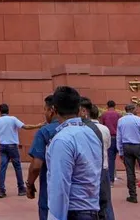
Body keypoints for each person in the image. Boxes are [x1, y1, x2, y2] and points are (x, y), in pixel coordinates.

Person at [45, 86, 103, 220]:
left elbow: (60, 185)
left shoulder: (62, 139)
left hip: (74, 211)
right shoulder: (91, 133)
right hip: (91, 208)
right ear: (78, 109)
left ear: (54, 110)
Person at [26, 94, 61, 220]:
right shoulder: (82, 130)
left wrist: (29, 185)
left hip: (50, 189)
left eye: (45, 110)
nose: (44, 113)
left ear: (51, 110)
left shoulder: (45, 131)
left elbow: (36, 165)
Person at [0, 103, 37, 198]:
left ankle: (1, 191)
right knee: (17, 167)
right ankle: (21, 188)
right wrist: (38, 125)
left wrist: (1, 134)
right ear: (8, 110)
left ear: (0, 111)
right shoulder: (13, 119)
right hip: (12, 146)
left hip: (2, 146)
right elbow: (25, 127)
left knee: (2, 168)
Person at [81, 99, 115, 220]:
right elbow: (108, 145)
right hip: (104, 168)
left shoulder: (84, 128)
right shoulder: (104, 129)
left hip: (89, 170)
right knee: (106, 202)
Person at [116, 102, 140, 203]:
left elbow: (118, 137)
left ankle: (133, 195)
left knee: (130, 172)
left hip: (126, 146)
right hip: (138, 145)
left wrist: (120, 151)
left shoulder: (121, 120)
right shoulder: (139, 120)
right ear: (133, 109)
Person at [101, 100, 121, 184]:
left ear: (107, 106)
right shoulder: (118, 115)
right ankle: (131, 178)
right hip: (118, 138)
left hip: (110, 137)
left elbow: (102, 125)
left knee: (111, 160)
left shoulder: (104, 114)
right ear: (115, 106)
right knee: (126, 159)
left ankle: (111, 180)